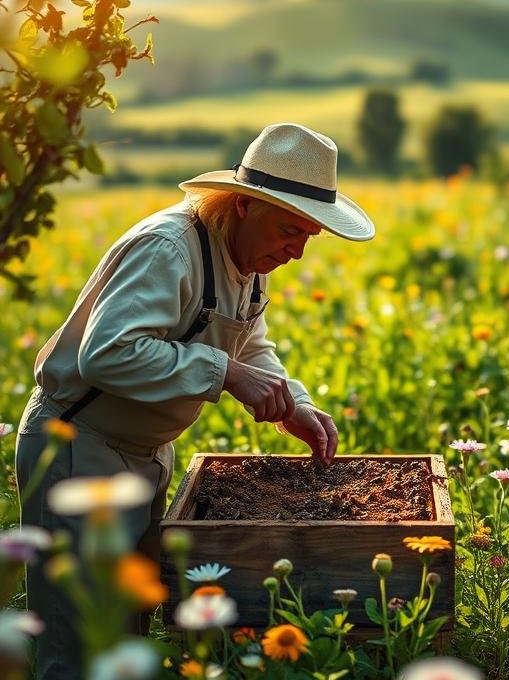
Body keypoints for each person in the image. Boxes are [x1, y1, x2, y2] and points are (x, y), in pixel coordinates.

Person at [14, 122, 374, 679]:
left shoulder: (247, 265)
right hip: (78, 449)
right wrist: (224, 373)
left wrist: (292, 401)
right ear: (242, 206)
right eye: (289, 230)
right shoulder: (167, 248)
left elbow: (249, 341)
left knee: (127, 631)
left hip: (147, 452)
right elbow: (107, 354)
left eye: (308, 237)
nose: (297, 252)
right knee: (81, 640)